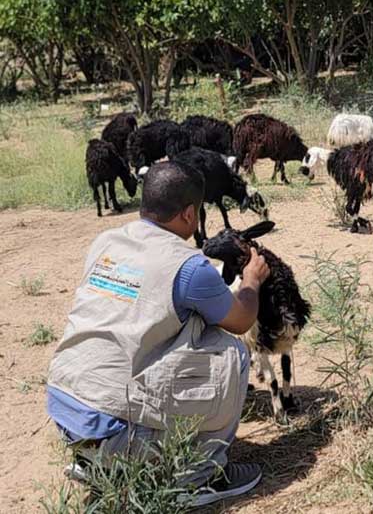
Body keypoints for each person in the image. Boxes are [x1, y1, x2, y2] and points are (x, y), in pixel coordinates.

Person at [46, 161, 270, 507]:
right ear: (188, 215)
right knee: (228, 351)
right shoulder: (188, 266)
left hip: (66, 412)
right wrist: (252, 280)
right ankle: (201, 476)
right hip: (116, 430)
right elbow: (240, 320)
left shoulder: (106, 240)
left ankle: (94, 463)